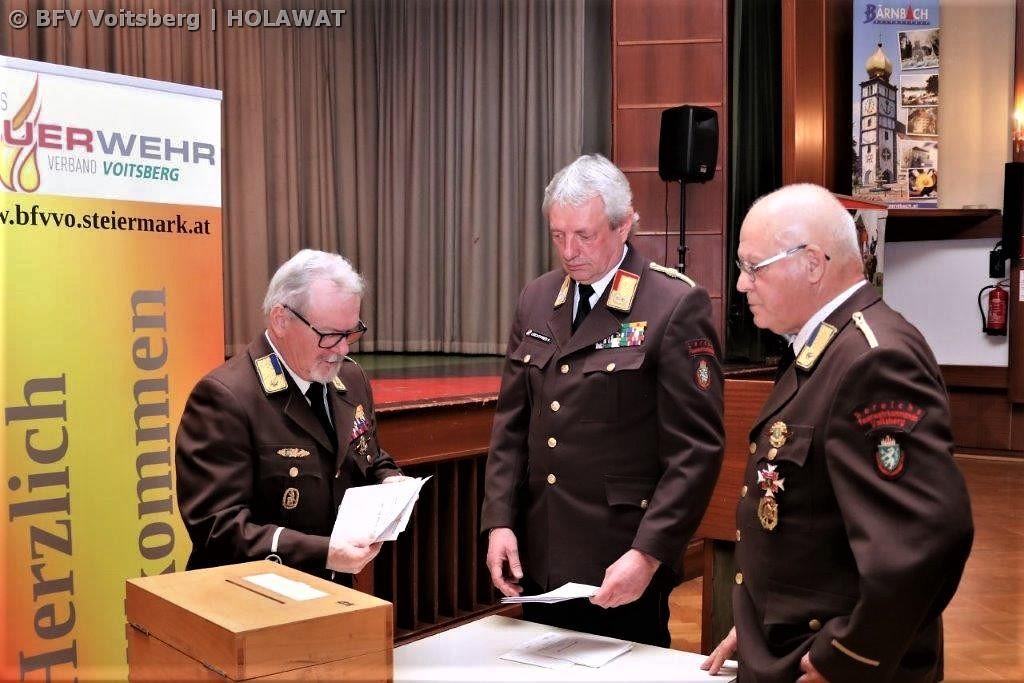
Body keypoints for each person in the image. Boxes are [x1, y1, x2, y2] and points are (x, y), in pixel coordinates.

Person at [703, 184, 973, 682]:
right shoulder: (826, 347)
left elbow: (922, 542)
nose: (742, 284)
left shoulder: (873, 360)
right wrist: (761, 621)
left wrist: (848, 656)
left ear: (811, 264)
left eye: (753, 267)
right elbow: (815, 521)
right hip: (793, 642)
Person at [480, 154, 724, 647]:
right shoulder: (536, 298)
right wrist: (499, 521)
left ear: (624, 224)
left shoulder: (672, 304)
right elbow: (511, 427)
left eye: (584, 236)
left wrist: (649, 554)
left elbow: (695, 452)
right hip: (539, 553)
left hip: (620, 559)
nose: (569, 251)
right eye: (558, 235)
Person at [176, 249, 404, 583]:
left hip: (334, 592)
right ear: (281, 320)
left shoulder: (350, 379)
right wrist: (323, 552)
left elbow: (366, 454)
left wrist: (389, 480)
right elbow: (216, 527)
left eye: (350, 333)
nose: (342, 349)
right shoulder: (226, 397)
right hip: (251, 596)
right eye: (329, 335)